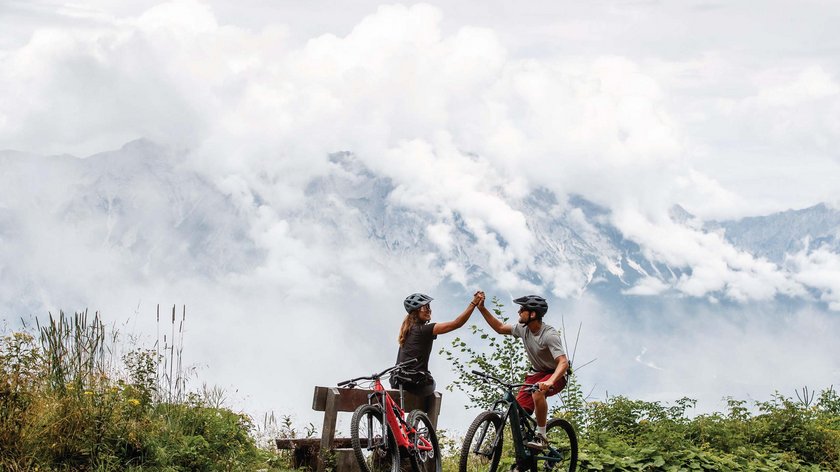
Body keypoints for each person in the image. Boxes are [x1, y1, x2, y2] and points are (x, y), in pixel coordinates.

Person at [475, 293, 569, 450]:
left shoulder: (549, 335)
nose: (519, 312)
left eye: (522, 309)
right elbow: (499, 328)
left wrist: (550, 381)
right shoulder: (522, 329)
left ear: (532, 314)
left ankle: (542, 437)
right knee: (518, 414)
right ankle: (523, 457)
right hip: (536, 373)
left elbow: (563, 362)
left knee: (538, 392)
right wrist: (482, 308)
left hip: (556, 374)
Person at [391, 291, 485, 396]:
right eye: (425, 308)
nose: (429, 310)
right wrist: (473, 304)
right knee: (431, 385)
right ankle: (420, 412)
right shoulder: (424, 329)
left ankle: (414, 412)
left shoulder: (406, 332)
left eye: (429, 307)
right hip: (415, 382)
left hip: (397, 381)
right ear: (416, 312)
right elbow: (456, 323)